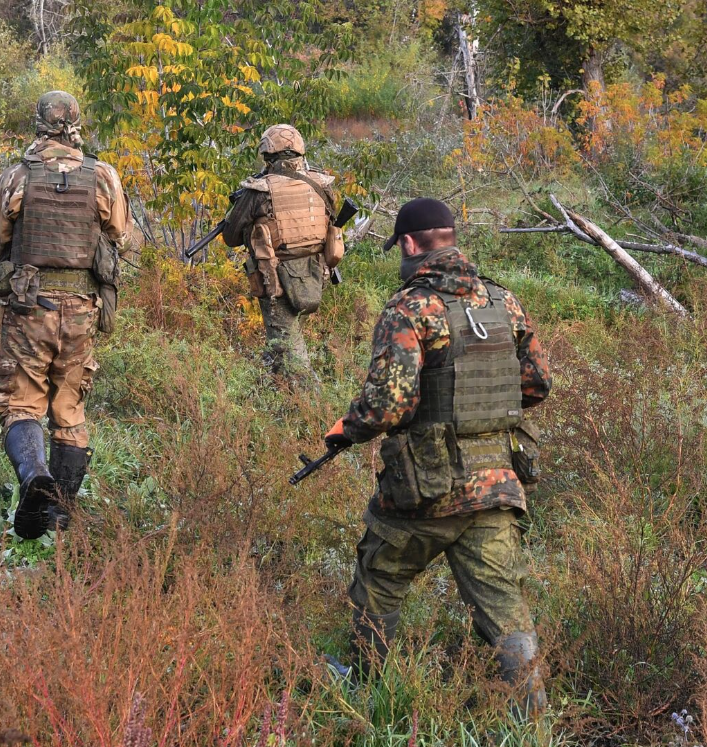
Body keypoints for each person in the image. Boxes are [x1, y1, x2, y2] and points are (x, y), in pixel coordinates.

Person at [322, 197, 552, 717]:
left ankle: (364, 691)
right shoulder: (503, 302)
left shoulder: (409, 308)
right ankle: (532, 720)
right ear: (450, 237)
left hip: (425, 490)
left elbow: (389, 403)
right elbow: (537, 384)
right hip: (496, 487)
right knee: (505, 611)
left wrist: (347, 428)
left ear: (408, 244)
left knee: (379, 576)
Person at [0, 91, 129, 540]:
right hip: (81, 310)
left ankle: (34, 476)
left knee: (20, 402)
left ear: (38, 123)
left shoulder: (17, 175)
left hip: (29, 309)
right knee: (69, 409)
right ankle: (61, 515)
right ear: (77, 122)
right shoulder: (103, 176)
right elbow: (119, 233)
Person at [221, 124, 345, 383]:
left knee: (288, 349)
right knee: (284, 341)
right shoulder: (320, 184)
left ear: (268, 155)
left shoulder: (260, 191)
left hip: (275, 278)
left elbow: (231, 238)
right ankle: (274, 389)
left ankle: (311, 402)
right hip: (315, 274)